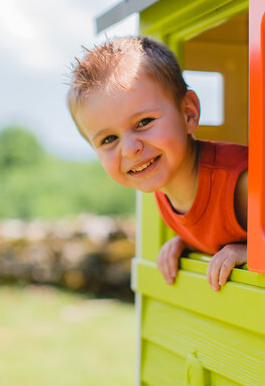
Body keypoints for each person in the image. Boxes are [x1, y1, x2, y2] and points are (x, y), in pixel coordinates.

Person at [67, 35, 248, 291]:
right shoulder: (165, 185)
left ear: (188, 113)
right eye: (109, 139)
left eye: (144, 122)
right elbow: (212, 224)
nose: (131, 149)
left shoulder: (241, 184)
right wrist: (185, 242)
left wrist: (252, 253)